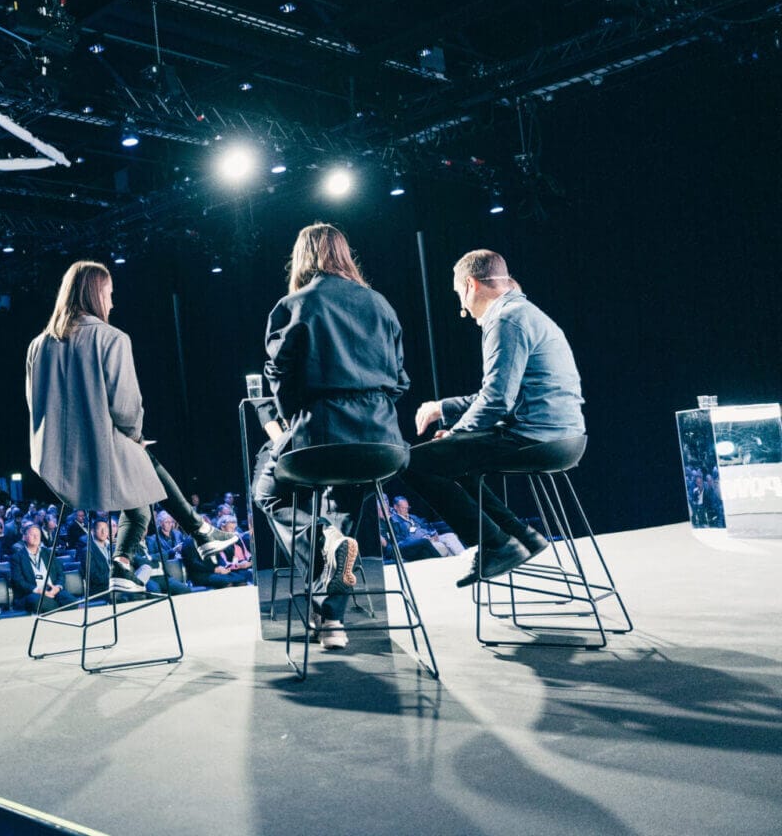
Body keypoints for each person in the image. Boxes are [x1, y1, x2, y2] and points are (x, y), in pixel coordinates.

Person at [26, 260, 238, 596]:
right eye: (109, 294)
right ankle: (199, 530)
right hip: (99, 461)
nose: (112, 303)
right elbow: (126, 409)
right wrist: (135, 437)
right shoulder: (111, 338)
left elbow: (35, 407)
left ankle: (124, 563)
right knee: (143, 459)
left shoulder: (38, 346)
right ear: (95, 294)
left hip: (55, 467)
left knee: (139, 501)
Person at [248, 224, 408, 645]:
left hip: (322, 433)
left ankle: (324, 541)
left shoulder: (295, 304)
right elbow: (401, 380)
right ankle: (331, 620)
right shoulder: (381, 304)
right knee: (343, 505)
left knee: (267, 491)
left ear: (303, 258)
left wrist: (291, 416)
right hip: (384, 444)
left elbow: (279, 373)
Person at [406, 249, 583, 586]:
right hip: (564, 435)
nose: (462, 307)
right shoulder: (523, 312)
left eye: (459, 295)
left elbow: (497, 400)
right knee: (456, 461)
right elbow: (502, 393)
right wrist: (443, 408)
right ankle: (521, 536)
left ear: (471, 285)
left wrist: (457, 433)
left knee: (416, 463)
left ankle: (497, 544)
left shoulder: (504, 319)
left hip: (540, 439)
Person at [9, 523, 78, 612]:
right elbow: (19, 581)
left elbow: (60, 574)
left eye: (38, 535)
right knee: (38, 602)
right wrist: (39, 591)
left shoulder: (48, 553)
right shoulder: (17, 557)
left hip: (52, 590)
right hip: (32, 593)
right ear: (24, 537)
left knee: (71, 601)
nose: (36, 537)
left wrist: (57, 587)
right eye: (32, 534)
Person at [388, 496, 466, 559]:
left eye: (407, 508)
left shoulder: (413, 517)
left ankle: (465, 558)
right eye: (403, 508)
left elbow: (425, 528)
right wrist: (424, 538)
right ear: (395, 507)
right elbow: (404, 539)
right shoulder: (395, 521)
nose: (406, 510)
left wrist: (432, 534)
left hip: (430, 538)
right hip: (421, 543)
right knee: (442, 546)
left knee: (450, 535)